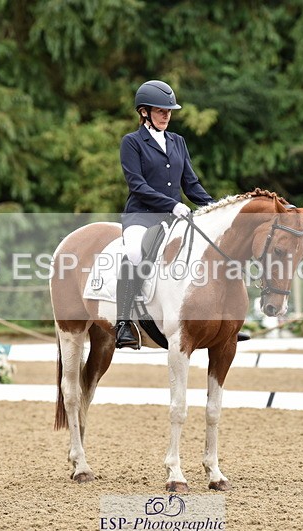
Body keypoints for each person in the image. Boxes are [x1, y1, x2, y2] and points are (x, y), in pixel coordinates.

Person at [115, 80, 215, 349]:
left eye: (169, 111)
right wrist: (171, 205)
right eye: (160, 110)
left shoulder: (178, 142)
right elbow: (137, 185)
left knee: (203, 253)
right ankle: (124, 321)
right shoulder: (132, 142)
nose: (166, 115)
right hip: (142, 217)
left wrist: (216, 208)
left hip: (175, 219)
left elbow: (191, 184)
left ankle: (216, 324)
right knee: (135, 253)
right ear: (144, 112)